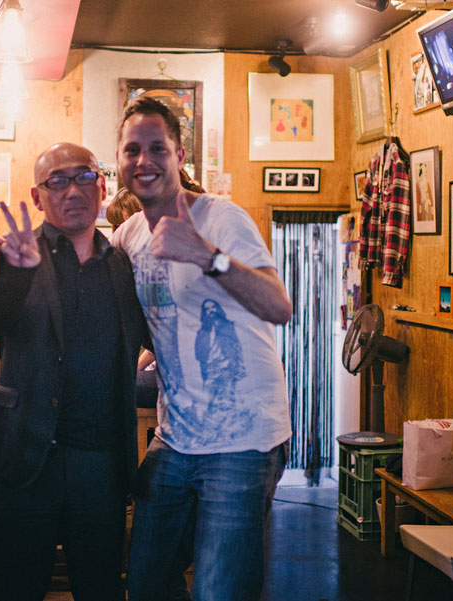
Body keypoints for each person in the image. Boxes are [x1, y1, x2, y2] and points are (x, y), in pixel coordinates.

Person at [112, 97, 293, 601]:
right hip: (175, 437)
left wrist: (207, 257)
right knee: (146, 582)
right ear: (120, 159)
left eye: (157, 148)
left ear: (179, 153)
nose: (144, 160)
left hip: (244, 441)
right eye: (132, 150)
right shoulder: (127, 237)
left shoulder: (220, 219)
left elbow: (279, 306)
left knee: (219, 591)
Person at [0, 142, 147, 601]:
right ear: (37, 195)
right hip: (22, 458)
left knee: (101, 590)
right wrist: (15, 273)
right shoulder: (12, 253)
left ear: (103, 185)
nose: (73, 190)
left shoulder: (124, 264)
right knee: (15, 591)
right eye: (57, 181)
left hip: (101, 467)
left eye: (84, 176)